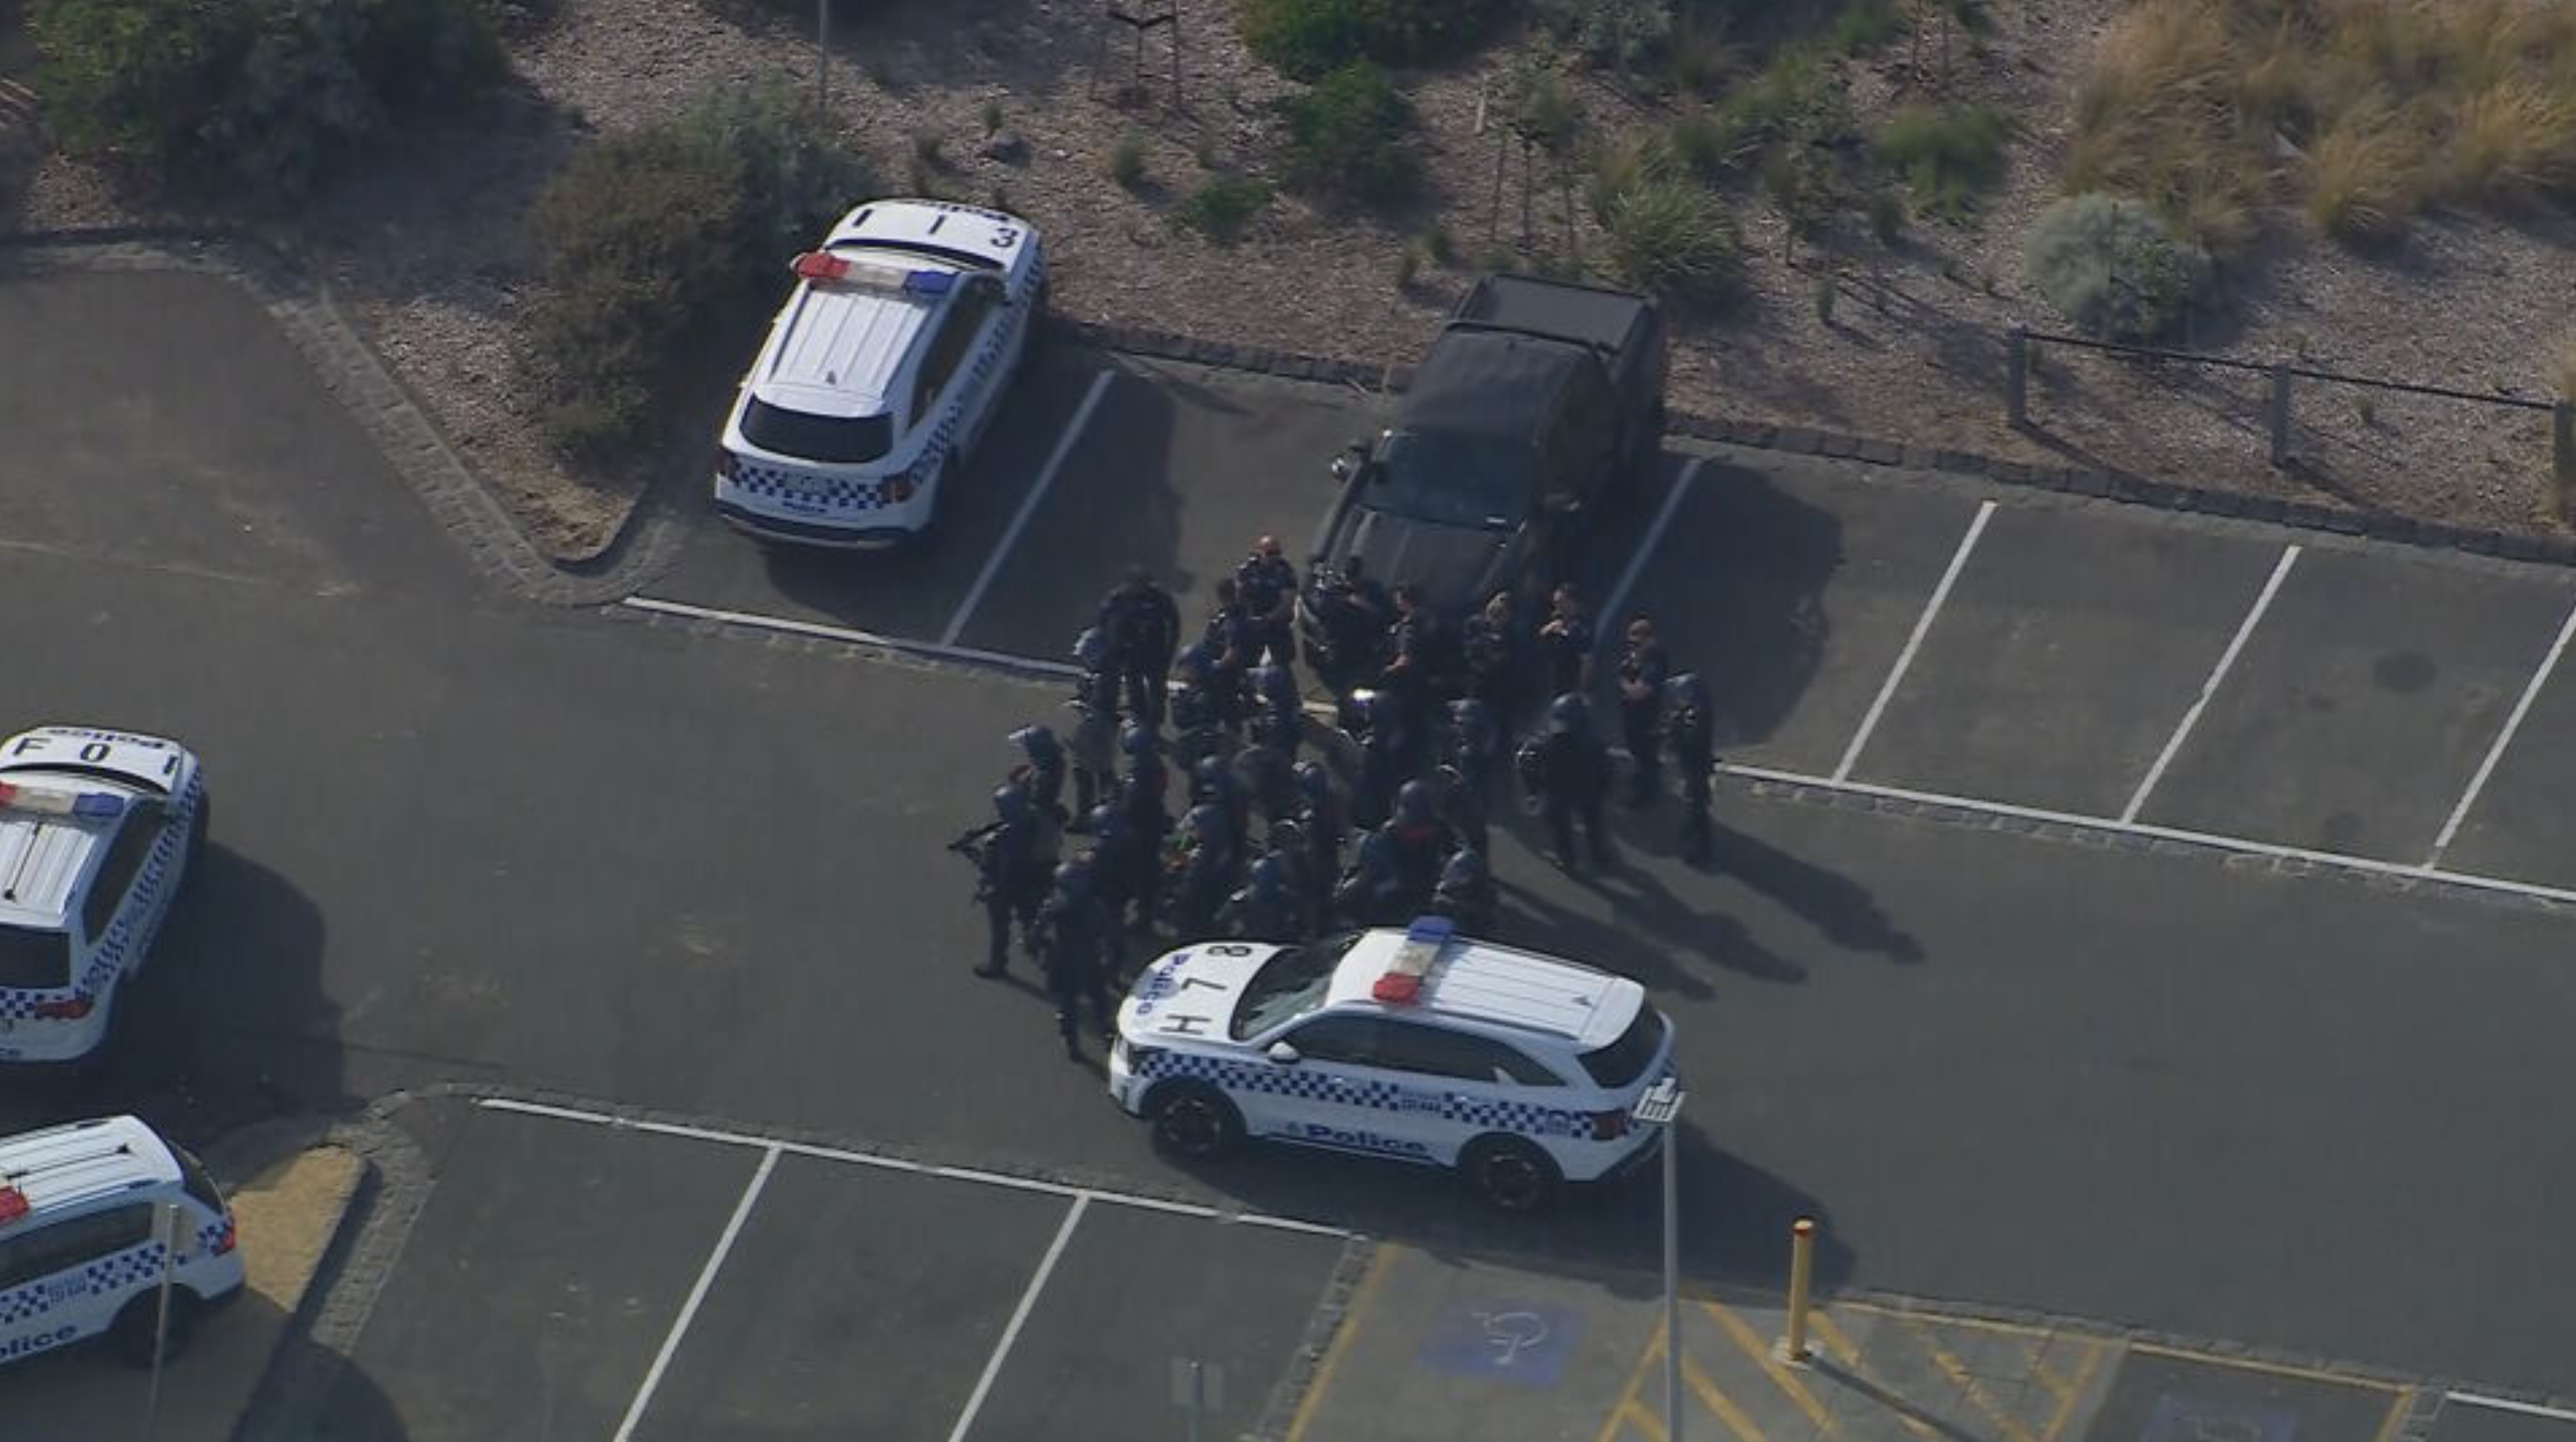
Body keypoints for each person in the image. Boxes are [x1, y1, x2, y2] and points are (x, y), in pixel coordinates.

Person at [1032, 858, 1118, 1058]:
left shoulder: (1056, 907)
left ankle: (1073, 1043)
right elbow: (1113, 936)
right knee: (1099, 1002)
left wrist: (1035, 944)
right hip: (1091, 961)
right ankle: (1107, 1035)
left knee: (1069, 1005)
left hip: (1066, 962)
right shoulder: (1095, 907)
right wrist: (1111, 962)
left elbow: (1038, 928)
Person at [1524, 693, 1612, 874]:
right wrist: (1604, 787)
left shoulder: (1547, 743)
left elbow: (1530, 765)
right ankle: (1598, 855)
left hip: (1558, 791)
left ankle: (1567, 861)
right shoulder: (1593, 742)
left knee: (1561, 828)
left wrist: (1535, 790)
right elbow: (1606, 768)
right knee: (1593, 823)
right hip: (1589, 789)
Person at [972, 785, 1046, 977]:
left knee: (1000, 928)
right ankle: (1037, 947)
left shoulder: (998, 839)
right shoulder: (1034, 822)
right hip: (1031, 880)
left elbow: (989, 867)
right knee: (1030, 917)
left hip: (1002, 888)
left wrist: (976, 857)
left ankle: (997, 964)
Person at [1098, 568, 1181, 728]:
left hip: (1155, 650)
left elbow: (1174, 623)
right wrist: (1112, 643)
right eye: (1134, 586)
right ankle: (1139, 718)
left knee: (1157, 688)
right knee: (1134, 686)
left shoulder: (1160, 598)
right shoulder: (1120, 597)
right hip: (1130, 650)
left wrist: (1169, 649)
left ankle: (1155, 722)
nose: (1137, 589)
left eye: (1141, 586)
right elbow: (1103, 617)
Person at [1614, 617, 1671, 806]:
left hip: (1648, 716)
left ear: (1649, 640)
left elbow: (1640, 692)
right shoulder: (1638, 658)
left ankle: (1647, 794)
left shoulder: (1655, 661)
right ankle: (1644, 775)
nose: (1633, 648)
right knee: (1637, 749)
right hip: (1634, 716)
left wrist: (1623, 682)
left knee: (1646, 753)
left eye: (1637, 643)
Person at [1066, 628, 1121, 822]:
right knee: (1103, 771)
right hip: (1098, 726)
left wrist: (1083, 705)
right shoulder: (1100, 672)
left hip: (1099, 728)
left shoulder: (1106, 677)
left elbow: (1099, 706)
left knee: (1086, 771)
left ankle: (1086, 816)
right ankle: (1113, 805)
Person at [1665, 673, 1718, 865]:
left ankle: (1703, 849)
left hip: (1696, 769)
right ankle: (1692, 830)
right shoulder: (1698, 710)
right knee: (1695, 803)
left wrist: (1674, 726)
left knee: (1698, 808)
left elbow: (1680, 744)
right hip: (1695, 767)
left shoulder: (1696, 719)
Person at [1380, 780, 1454, 913]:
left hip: (1430, 881)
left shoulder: (1438, 826)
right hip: (1400, 883)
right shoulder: (1391, 831)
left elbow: (1452, 853)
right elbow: (1387, 865)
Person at [1235, 536, 1300, 673]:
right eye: (1270, 553)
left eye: (1277, 553)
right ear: (1260, 553)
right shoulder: (1248, 569)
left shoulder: (1285, 571)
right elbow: (1240, 597)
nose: (1274, 557)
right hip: (1254, 619)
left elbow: (1288, 602)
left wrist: (1267, 619)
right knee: (1247, 660)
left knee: (1283, 661)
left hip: (1276, 620)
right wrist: (1247, 619)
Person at [1201, 578, 1253, 731]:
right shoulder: (1227, 614)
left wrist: (1214, 666)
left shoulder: (1235, 622)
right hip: (1227, 672)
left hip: (1228, 675)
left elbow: (1233, 653)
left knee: (1228, 711)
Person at [1460, 590, 1519, 717]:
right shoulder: (1475, 623)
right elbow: (1468, 646)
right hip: (1478, 677)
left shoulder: (1512, 630)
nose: (1497, 609)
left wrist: (1499, 632)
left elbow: (1513, 653)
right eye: (1496, 603)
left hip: (1502, 681)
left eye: (1503, 610)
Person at [1218, 855, 1303, 943]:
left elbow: (1297, 932)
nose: (1264, 881)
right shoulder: (1238, 902)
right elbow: (1221, 926)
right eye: (1258, 878)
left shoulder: (1286, 901)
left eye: (1268, 877)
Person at [1535, 583, 1596, 701]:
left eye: (1560, 602)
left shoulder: (1581, 627)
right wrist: (1546, 631)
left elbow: (1587, 661)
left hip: (1572, 687)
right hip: (1554, 684)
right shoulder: (1557, 623)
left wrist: (1581, 690)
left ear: (1571, 602)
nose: (1557, 607)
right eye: (1556, 602)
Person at [1428, 845, 1498, 935]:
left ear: (1467, 878)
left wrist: (1452, 905)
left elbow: (1481, 919)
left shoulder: (1485, 896)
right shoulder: (1443, 890)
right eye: (1450, 869)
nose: (1448, 875)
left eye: (1456, 872)